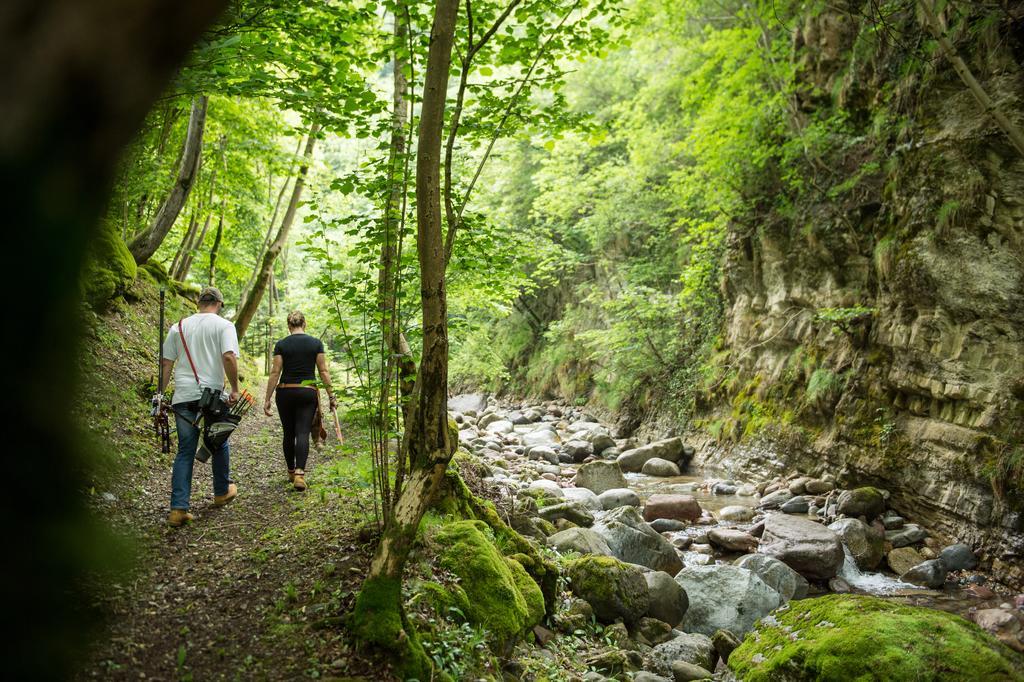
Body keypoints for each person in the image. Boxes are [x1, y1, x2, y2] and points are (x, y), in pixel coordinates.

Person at [159, 286, 241, 526]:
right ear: (218, 303)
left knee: (185, 450)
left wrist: (161, 395)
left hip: (183, 396)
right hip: (212, 396)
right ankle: (221, 491)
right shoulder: (224, 326)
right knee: (218, 441)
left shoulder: (179, 327)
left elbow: (166, 363)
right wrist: (235, 388)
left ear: (199, 302)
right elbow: (228, 357)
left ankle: (178, 509)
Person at [263, 310, 335, 491]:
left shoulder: (281, 344)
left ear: (289, 326)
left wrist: (267, 398)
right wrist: (331, 396)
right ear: (305, 324)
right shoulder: (316, 343)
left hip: (285, 392)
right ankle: (300, 475)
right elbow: (323, 371)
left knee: (289, 433)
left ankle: (290, 471)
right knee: (302, 432)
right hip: (307, 392)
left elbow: (275, 372)